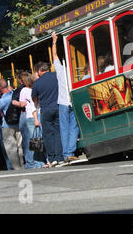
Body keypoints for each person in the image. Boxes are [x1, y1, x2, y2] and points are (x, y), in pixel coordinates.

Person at [52, 32, 80, 164]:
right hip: (72, 102)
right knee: (74, 127)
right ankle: (70, 151)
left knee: (64, 128)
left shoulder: (60, 70)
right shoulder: (74, 73)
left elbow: (54, 55)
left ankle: (66, 153)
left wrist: (54, 41)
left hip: (63, 103)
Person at [31, 61, 63, 168]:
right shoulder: (56, 76)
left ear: (39, 71)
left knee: (48, 135)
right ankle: (60, 157)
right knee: (58, 132)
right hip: (58, 107)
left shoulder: (37, 83)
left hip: (45, 110)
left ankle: (52, 158)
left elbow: (34, 99)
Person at [0, 79, 24, 170]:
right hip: (18, 123)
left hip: (7, 126)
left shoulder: (3, 100)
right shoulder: (13, 93)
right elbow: (8, 90)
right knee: (20, 146)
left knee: (11, 149)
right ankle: (22, 165)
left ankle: (16, 169)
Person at [12, 71, 45, 169]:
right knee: (38, 139)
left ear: (22, 81)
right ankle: (40, 162)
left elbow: (23, 104)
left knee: (31, 140)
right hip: (39, 113)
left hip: (30, 115)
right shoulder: (35, 88)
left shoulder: (24, 90)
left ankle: (32, 163)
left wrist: (15, 102)